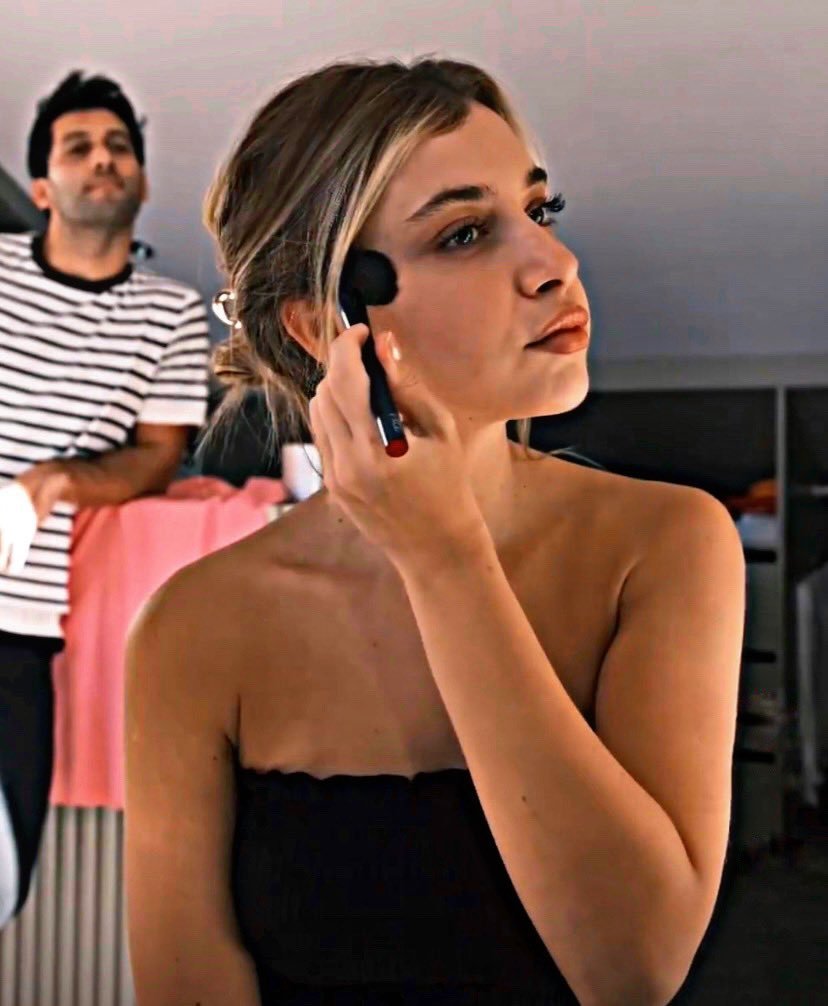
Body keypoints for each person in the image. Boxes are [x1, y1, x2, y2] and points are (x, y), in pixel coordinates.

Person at [124, 56, 746, 1005]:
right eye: (465, 234)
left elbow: (634, 970)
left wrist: (446, 560)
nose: (556, 264)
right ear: (324, 326)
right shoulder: (195, 628)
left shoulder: (665, 545)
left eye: (538, 210)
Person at [0, 70, 211, 927]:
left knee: (4, 886)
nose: (103, 159)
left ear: (144, 181)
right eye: (79, 146)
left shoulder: (174, 315)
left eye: (119, 146)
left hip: (20, 631)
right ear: (41, 188)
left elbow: (157, 458)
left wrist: (50, 483)